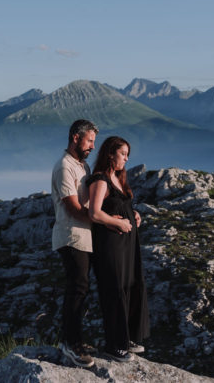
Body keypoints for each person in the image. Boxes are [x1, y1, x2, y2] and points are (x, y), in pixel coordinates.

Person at [87, 135, 150, 362]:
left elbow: (119, 206)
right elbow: (94, 213)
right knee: (113, 290)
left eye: (127, 155)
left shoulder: (118, 178)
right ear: (110, 153)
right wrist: (119, 223)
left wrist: (132, 216)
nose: (126, 159)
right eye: (123, 154)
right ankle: (114, 346)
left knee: (130, 286)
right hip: (109, 244)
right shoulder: (100, 179)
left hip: (126, 244)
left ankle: (126, 339)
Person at [50, 118, 98, 368]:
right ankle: (70, 343)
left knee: (81, 288)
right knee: (77, 288)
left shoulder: (83, 166)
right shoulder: (64, 167)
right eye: (89, 140)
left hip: (83, 235)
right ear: (75, 138)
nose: (92, 146)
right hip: (71, 236)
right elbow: (74, 207)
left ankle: (74, 339)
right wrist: (102, 220)